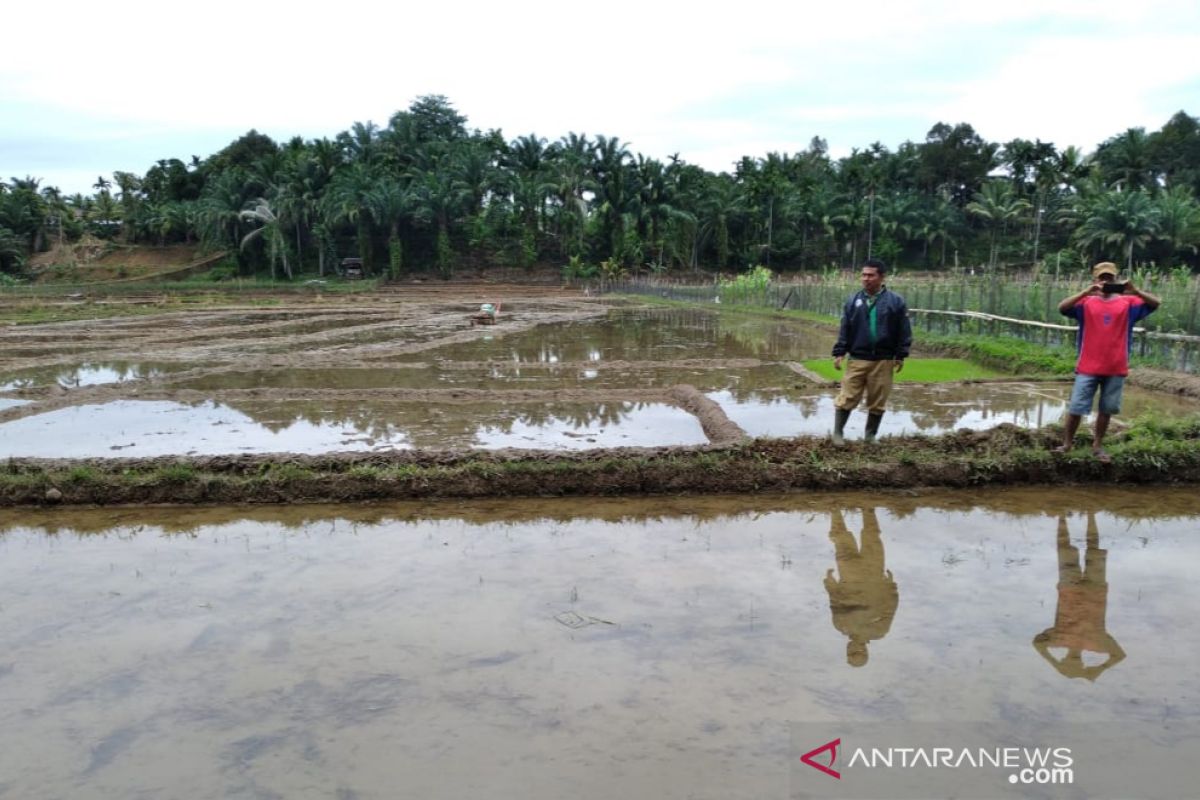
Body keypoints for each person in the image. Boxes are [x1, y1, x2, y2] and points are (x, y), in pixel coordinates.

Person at [1056, 262, 1160, 463]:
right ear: (1095, 279)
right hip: (1088, 366)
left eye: (1110, 277)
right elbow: (1062, 307)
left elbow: (1155, 303)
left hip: (1116, 366)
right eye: (1102, 277)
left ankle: (1097, 446)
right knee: (1076, 407)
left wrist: (1136, 290)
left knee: (1106, 409)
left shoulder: (1129, 303)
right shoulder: (1085, 303)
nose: (1106, 281)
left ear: (1116, 278)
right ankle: (1067, 444)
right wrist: (1085, 292)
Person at [1032, 512, 1125, 682]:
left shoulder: (1095, 642)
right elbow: (1037, 645)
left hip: (1092, 590)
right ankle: (1062, 515)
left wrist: (1098, 670)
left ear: (1082, 663)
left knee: (1092, 547)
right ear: (1065, 658)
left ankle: (1089, 513)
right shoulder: (1060, 639)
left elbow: (1119, 656)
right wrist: (1055, 663)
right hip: (1072, 589)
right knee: (1065, 547)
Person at [831, 259, 912, 444]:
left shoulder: (895, 301)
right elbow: (846, 328)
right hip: (858, 357)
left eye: (870, 275)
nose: (866, 279)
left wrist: (901, 354)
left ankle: (870, 436)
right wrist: (840, 351)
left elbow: (904, 330)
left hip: (883, 359)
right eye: (863, 275)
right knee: (848, 395)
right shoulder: (853, 300)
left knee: (878, 399)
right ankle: (837, 433)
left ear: (881, 277)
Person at [824, 507, 899, 667]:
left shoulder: (840, 625)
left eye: (850, 652)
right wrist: (891, 587)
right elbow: (890, 608)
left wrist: (830, 583)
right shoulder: (879, 631)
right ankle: (867, 506)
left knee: (841, 540)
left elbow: (835, 601)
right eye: (856, 652)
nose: (852, 648)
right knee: (871, 536)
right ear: (864, 651)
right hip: (873, 575)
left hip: (849, 576)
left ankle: (834, 508)